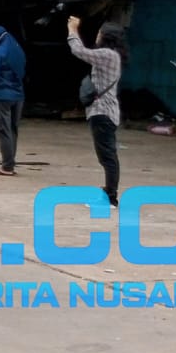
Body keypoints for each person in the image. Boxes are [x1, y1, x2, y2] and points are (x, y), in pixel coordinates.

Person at [67, 16, 125, 209]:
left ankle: (110, 197)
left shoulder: (108, 54)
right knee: (106, 156)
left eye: (100, 32)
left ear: (106, 36)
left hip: (103, 112)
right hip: (105, 111)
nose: (97, 34)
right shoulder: (112, 54)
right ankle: (108, 194)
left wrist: (72, 29)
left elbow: (78, 51)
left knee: (107, 156)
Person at [0, 25, 26, 176]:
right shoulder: (17, 49)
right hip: (18, 96)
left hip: (0, 96)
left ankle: (7, 166)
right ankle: (10, 162)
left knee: (2, 131)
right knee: (13, 130)